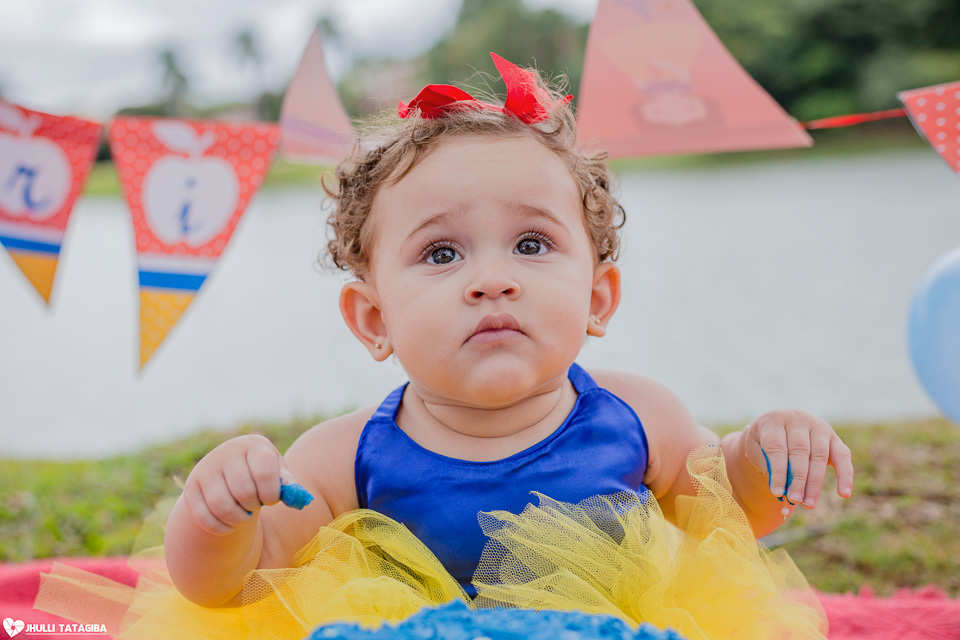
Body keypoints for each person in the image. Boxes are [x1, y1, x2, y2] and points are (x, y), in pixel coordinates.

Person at [38, 54, 852, 640]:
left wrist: (766, 453)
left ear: (598, 298)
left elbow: (733, 515)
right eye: (441, 253)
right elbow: (232, 588)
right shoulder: (343, 456)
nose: (492, 280)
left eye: (531, 245)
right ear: (374, 320)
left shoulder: (641, 416)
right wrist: (213, 516)